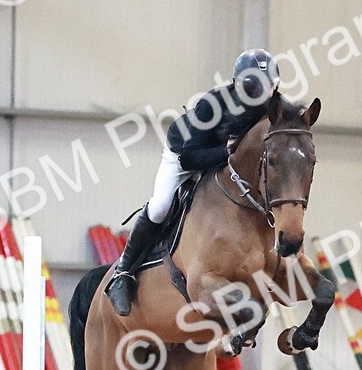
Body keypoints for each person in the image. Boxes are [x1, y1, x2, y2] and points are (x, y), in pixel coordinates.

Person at [105, 49, 281, 317]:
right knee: (161, 207)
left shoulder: (274, 104)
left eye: (269, 89)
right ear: (239, 85)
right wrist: (226, 152)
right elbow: (189, 158)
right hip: (185, 153)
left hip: (227, 164)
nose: (263, 100)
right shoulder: (213, 104)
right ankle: (123, 273)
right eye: (257, 90)